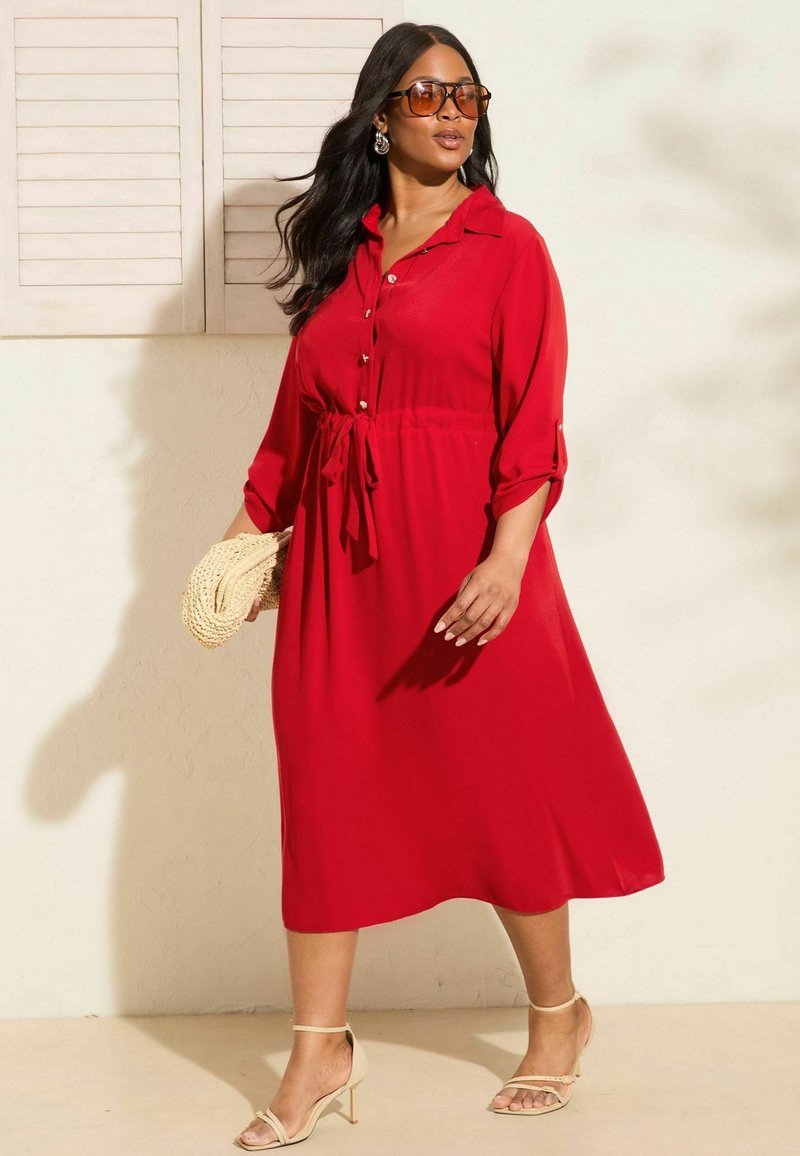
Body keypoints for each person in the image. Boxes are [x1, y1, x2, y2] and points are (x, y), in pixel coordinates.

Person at [224, 22, 665, 1150]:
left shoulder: (508, 246)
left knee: (502, 786)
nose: (451, 111)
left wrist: (507, 560)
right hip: (337, 570)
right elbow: (295, 424)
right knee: (324, 791)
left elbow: (533, 423)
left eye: (466, 94)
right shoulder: (345, 252)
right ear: (381, 116)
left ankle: (558, 1017)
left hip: (466, 559)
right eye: (425, 95)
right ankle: (319, 1050)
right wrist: (240, 541)